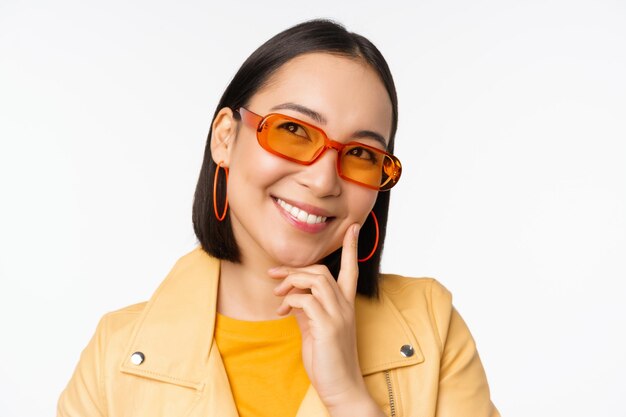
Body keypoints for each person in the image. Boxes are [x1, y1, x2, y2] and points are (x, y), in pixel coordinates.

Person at [58, 19, 500, 417]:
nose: (325, 180)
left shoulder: (430, 326)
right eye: (293, 130)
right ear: (225, 138)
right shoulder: (114, 358)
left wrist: (348, 396)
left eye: (362, 154)